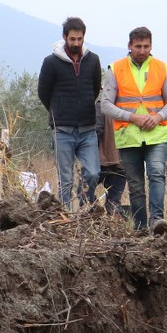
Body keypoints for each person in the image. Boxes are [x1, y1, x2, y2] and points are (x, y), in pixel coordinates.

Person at [101, 26, 167, 234]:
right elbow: (105, 104)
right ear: (129, 46)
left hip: (157, 133)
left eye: (146, 46)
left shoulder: (162, 68)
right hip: (128, 136)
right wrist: (131, 117)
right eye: (138, 46)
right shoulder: (115, 69)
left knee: (156, 173)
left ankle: (157, 220)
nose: (142, 50)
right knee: (135, 185)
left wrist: (158, 117)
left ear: (151, 46)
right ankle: (140, 228)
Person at [37, 17, 103, 210]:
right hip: (62, 130)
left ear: (84, 38)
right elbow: (43, 92)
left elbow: (94, 89)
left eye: (79, 39)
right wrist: (58, 110)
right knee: (65, 179)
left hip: (88, 129)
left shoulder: (93, 60)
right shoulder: (51, 62)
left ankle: (83, 207)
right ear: (65, 37)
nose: (76, 43)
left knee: (92, 173)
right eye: (72, 39)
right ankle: (66, 216)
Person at [96, 105, 129, 216]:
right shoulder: (128, 106)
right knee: (114, 203)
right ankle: (114, 228)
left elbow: (96, 130)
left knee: (86, 197)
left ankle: (88, 222)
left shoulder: (101, 106)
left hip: (99, 161)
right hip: (122, 162)